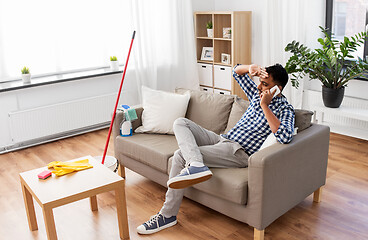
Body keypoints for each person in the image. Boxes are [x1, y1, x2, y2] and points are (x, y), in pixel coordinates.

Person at [136, 63, 295, 235]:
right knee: (180, 122)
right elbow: (236, 73)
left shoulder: (284, 109)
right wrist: (250, 68)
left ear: (277, 89)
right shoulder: (256, 95)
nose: (259, 86)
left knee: (180, 156)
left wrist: (265, 105)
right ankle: (196, 164)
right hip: (222, 139)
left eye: (265, 84)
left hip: (238, 152)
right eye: (259, 81)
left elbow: (284, 136)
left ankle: (167, 215)